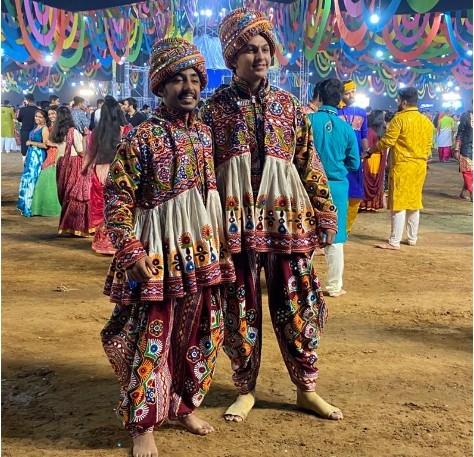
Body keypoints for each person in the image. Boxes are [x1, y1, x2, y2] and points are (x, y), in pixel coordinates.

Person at [201, 8, 342, 423]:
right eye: (249, 50)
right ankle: (245, 390)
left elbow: (307, 162)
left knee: (296, 301)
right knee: (239, 305)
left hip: (288, 223)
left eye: (264, 49)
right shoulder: (214, 109)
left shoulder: (289, 106)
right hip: (235, 226)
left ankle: (306, 388)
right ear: (232, 57)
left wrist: (324, 214)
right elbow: (206, 171)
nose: (259, 57)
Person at [101, 38, 235, 457]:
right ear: (160, 85)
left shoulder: (205, 135)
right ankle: (143, 424)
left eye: (196, 78)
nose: (189, 86)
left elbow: (211, 191)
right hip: (156, 252)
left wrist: (223, 243)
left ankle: (182, 405)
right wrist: (131, 251)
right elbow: (118, 196)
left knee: (199, 330)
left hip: (201, 250)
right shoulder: (142, 135)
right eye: (178, 78)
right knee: (152, 333)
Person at [308, 79, 360, 297]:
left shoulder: (307, 121)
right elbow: (354, 163)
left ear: (318, 95)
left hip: (309, 185)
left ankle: (301, 283)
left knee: (306, 234)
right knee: (335, 239)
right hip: (337, 187)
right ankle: (334, 286)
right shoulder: (346, 128)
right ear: (339, 99)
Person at [369, 87, 434, 250]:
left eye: (398, 100)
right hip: (419, 166)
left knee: (398, 203)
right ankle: (412, 238)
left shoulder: (399, 119)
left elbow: (388, 142)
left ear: (404, 102)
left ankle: (394, 241)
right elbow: (428, 147)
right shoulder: (426, 121)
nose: (398, 103)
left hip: (403, 166)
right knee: (414, 202)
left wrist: (371, 150)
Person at [84, 96, 127, 254]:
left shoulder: (97, 131)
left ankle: (103, 242)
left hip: (100, 170)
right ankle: (119, 242)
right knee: (119, 206)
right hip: (121, 173)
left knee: (103, 207)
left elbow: (90, 153)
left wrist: (85, 169)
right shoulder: (126, 130)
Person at [52, 106, 94, 236]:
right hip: (75, 164)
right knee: (78, 195)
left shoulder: (56, 131)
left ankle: (67, 226)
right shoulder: (73, 131)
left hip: (62, 164)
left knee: (66, 195)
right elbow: (80, 150)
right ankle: (78, 227)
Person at [338, 80, 369, 234]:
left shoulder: (362, 113)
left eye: (353, 92)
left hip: (355, 159)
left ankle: (346, 227)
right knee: (339, 192)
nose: (350, 95)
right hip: (339, 160)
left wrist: (366, 151)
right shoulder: (336, 112)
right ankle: (337, 226)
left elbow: (364, 135)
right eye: (347, 93)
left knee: (355, 194)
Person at [17, 109, 49, 217]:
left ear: (45, 118)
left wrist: (31, 143)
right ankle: (25, 204)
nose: (37, 119)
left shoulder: (45, 129)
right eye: (36, 116)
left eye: (40, 117)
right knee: (27, 179)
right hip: (31, 155)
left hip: (38, 156)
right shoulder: (36, 127)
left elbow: (45, 145)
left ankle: (30, 206)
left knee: (33, 179)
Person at [31, 107, 61, 217]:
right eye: (49, 114)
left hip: (57, 154)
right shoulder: (49, 127)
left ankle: (52, 209)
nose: (51, 116)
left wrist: (51, 144)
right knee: (45, 179)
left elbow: (63, 143)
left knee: (50, 179)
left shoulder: (61, 127)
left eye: (53, 113)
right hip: (49, 153)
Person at [360, 110, 388, 211]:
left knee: (368, 180)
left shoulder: (370, 131)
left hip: (371, 158)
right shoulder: (382, 131)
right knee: (375, 180)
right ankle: (373, 204)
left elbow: (368, 147)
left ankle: (366, 204)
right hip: (378, 160)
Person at [454, 108, 473, 201]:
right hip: (467, 148)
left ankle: (463, 193)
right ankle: (472, 194)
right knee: (468, 172)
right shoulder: (466, 116)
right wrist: (457, 149)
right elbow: (460, 133)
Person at [17, 94, 38, 159]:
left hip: (25, 131)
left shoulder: (22, 109)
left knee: (24, 147)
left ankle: (25, 163)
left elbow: (19, 119)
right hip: (35, 131)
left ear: (26, 100)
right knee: (34, 147)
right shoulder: (37, 110)